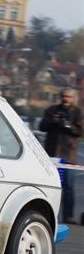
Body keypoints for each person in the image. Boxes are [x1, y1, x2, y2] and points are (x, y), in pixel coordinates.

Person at [39, 88, 83, 224]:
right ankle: (47, 214)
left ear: (73, 98)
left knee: (69, 187)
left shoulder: (77, 112)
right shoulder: (52, 110)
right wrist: (53, 121)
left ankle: (68, 216)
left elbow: (80, 131)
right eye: (64, 96)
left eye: (69, 97)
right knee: (49, 186)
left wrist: (67, 125)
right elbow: (42, 126)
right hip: (52, 154)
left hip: (68, 155)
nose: (66, 99)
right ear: (60, 96)